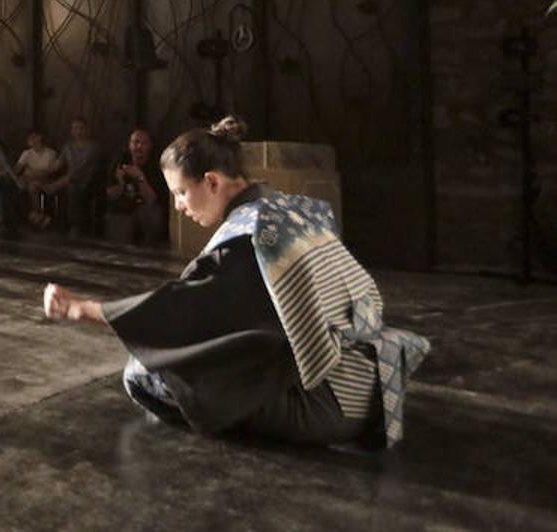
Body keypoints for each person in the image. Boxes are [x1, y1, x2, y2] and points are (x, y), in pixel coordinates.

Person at [44, 116, 430, 448]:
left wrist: (84, 309)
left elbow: (182, 310)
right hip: (371, 384)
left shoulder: (247, 239)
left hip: (332, 405)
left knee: (142, 373)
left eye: (181, 192)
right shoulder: (289, 209)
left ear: (212, 182)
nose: (178, 205)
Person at [104, 127, 169, 247]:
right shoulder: (120, 161)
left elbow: (152, 200)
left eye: (144, 143)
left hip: (147, 208)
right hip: (123, 208)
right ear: (129, 145)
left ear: (150, 146)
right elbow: (110, 194)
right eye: (135, 142)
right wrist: (120, 183)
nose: (139, 146)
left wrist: (140, 177)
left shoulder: (156, 165)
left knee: (154, 216)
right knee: (117, 222)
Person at [43, 118, 103, 237]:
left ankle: (76, 226)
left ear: (87, 129)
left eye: (81, 128)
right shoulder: (68, 146)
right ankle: (52, 223)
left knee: (72, 187)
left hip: (87, 180)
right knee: (44, 187)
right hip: (69, 180)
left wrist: (57, 184)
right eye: (75, 128)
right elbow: (57, 165)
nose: (78, 131)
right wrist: (36, 172)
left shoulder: (94, 147)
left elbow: (81, 169)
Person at [14, 129, 60, 228]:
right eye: (29, 138)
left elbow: (50, 171)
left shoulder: (50, 153)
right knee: (20, 186)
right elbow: (17, 169)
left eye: (33, 137)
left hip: (46, 180)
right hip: (28, 179)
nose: (30, 140)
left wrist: (34, 173)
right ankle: (33, 216)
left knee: (32, 186)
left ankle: (35, 215)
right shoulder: (26, 153)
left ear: (40, 138)